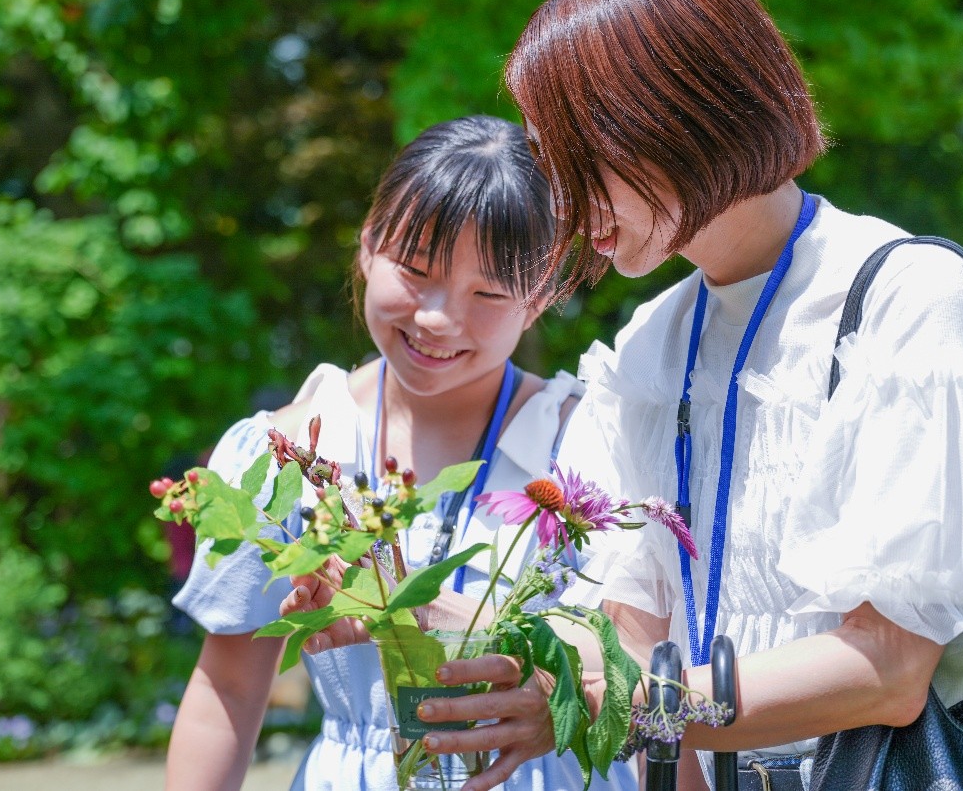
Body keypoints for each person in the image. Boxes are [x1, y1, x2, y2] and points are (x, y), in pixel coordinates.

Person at [416, 0, 963, 790]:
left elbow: (887, 671)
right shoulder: (648, 346)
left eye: (579, 158)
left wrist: (626, 705)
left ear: (674, 113)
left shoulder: (905, 297)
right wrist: (448, 625)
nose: (559, 201)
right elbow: (628, 634)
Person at [166, 115, 634, 791]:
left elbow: (640, 666)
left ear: (538, 300)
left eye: (489, 292)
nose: (439, 317)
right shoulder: (283, 450)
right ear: (366, 247)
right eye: (416, 270)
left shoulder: (591, 447)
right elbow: (229, 691)